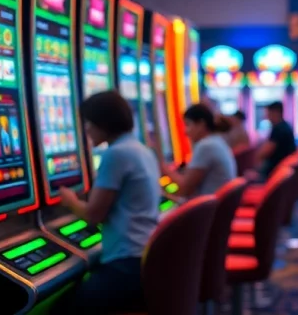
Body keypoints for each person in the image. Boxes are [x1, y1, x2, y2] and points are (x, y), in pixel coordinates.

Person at [54, 91, 160, 314]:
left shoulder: (116, 154)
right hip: (146, 259)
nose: (87, 129)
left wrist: (70, 200)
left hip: (126, 266)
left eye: (89, 123)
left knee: (62, 307)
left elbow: (94, 215)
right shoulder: (141, 149)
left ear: (103, 123)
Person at [161, 104, 236, 197]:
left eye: (188, 125)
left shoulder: (206, 146)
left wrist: (163, 168)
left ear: (201, 124)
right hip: (215, 206)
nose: (185, 132)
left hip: (209, 209)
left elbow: (184, 190)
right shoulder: (216, 140)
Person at [254, 101, 296, 179]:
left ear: (276, 113)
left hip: (276, 172)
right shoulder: (285, 126)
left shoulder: (279, 129)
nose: (267, 117)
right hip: (284, 171)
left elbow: (264, 153)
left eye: (268, 114)